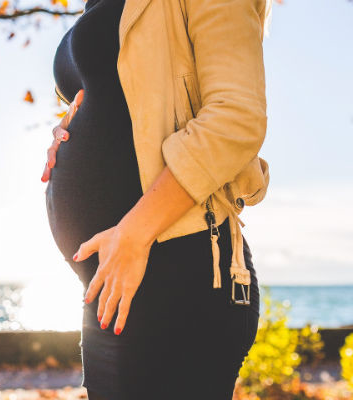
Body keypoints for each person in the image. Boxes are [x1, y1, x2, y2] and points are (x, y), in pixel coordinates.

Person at [41, 0, 272, 398]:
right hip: (114, 280)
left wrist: (134, 233)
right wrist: (70, 127)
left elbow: (236, 118)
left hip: (179, 268)